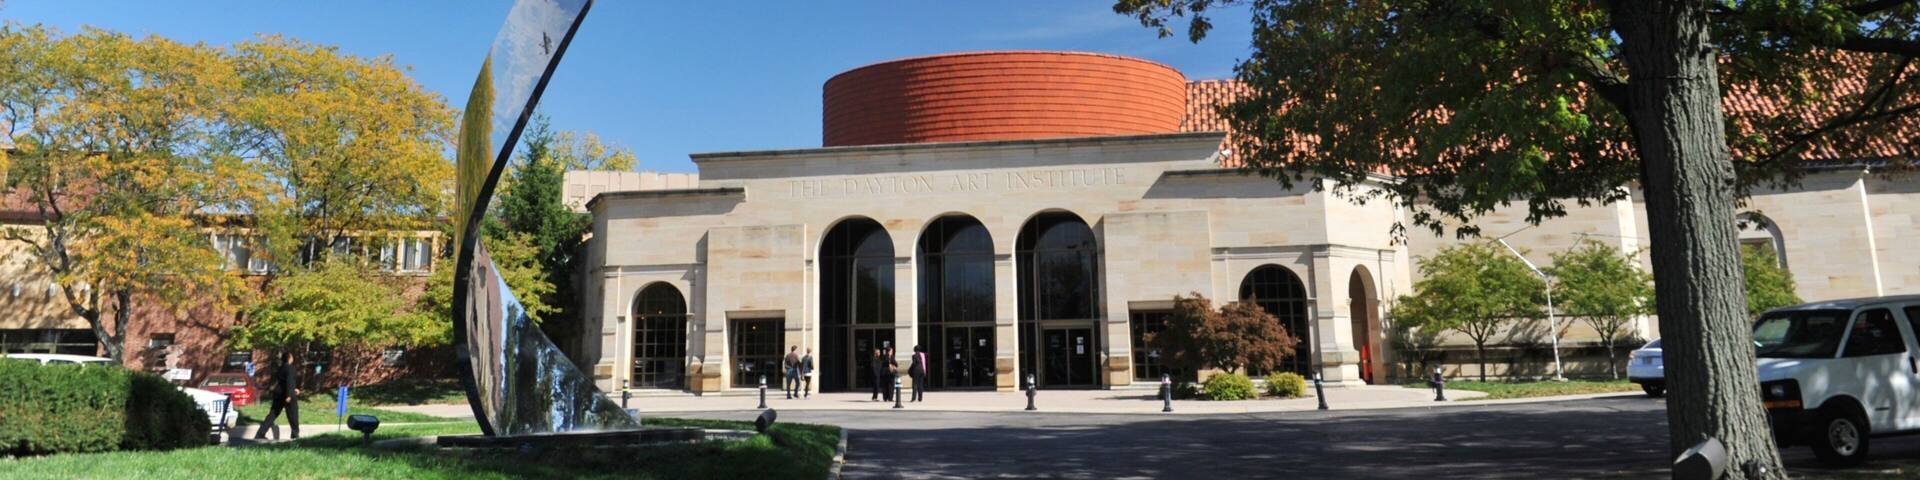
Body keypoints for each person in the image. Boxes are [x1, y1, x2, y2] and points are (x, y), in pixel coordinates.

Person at [253, 351, 301, 440]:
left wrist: (293, 389)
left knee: (273, 414)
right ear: (289, 358)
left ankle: (260, 433)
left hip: (278, 393)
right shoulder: (290, 368)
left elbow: (282, 382)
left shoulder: (280, 368)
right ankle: (295, 435)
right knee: (293, 415)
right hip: (287, 394)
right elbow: (289, 381)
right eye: (292, 357)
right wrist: (289, 394)